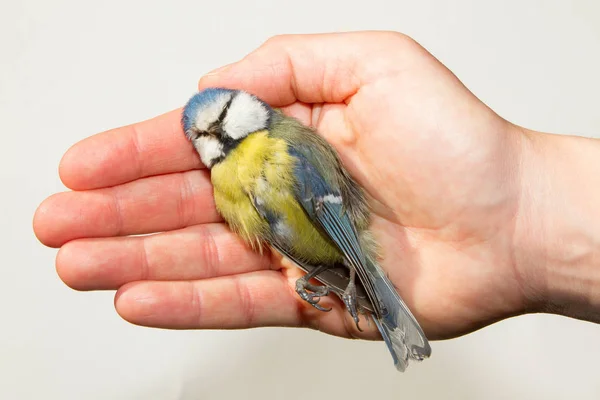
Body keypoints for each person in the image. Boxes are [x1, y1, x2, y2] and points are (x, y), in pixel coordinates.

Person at [33, 31, 600, 342]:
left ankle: (370, 297)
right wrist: (325, 276)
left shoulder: (282, 145)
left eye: (224, 116)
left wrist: (360, 272)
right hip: (324, 257)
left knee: (365, 282)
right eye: (203, 135)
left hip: (343, 241)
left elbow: (332, 219)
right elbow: (279, 234)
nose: (216, 136)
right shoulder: (225, 178)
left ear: (248, 106)